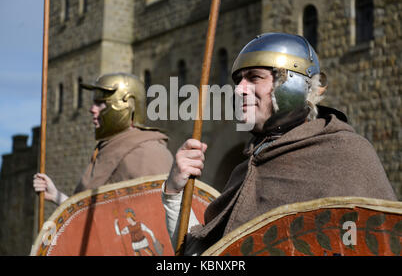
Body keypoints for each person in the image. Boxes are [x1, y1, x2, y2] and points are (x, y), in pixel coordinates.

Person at [161, 32, 397, 255]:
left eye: (254, 77)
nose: (239, 90)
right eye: (238, 80)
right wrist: (175, 191)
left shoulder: (348, 155)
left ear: (291, 83)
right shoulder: (248, 169)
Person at [34, 72, 173, 206]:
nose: (92, 109)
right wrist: (57, 196)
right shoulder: (110, 147)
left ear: (127, 104)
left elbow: (154, 216)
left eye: (100, 103)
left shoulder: (148, 152)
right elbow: (95, 215)